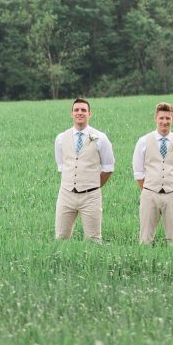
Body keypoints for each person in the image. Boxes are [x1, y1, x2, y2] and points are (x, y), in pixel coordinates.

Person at [53, 97, 115, 242]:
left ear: (89, 114)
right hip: (66, 194)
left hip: (91, 196)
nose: (79, 113)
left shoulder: (101, 138)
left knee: (94, 240)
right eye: (76, 110)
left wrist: (92, 185)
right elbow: (62, 166)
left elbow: (108, 167)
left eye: (83, 110)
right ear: (71, 114)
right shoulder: (61, 138)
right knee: (61, 237)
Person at [132, 102, 173, 245]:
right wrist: (150, 188)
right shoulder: (143, 141)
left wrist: (170, 188)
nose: (165, 122)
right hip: (149, 194)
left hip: (172, 195)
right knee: (145, 239)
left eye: (168, 118)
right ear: (156, 118)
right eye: (161, 118)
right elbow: (138, 171)